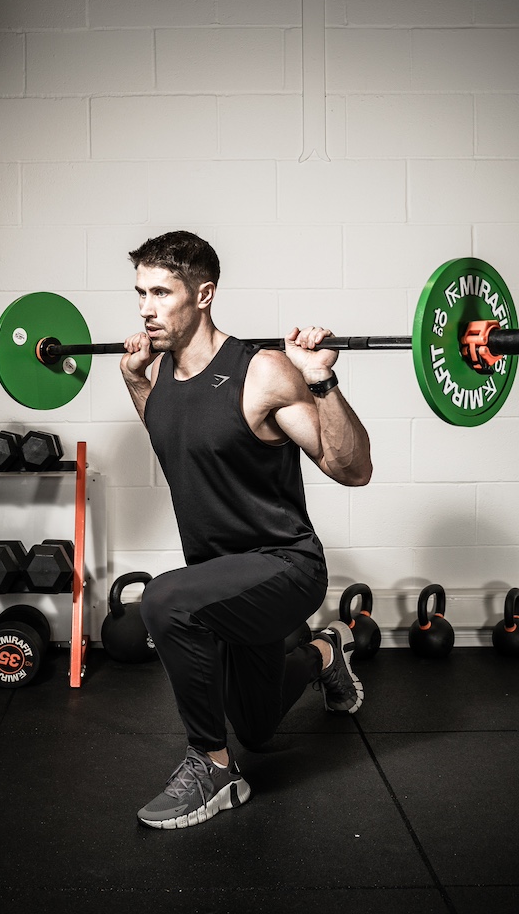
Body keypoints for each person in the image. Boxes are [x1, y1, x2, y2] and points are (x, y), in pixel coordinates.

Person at [120, 230, 372, 830]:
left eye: (162, 292)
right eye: (140, 293)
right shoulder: (153, 380)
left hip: (286, 567)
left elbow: (353, 469)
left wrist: (320, 381)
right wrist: (134, 380)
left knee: (162, 600)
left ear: (203, 294)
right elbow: (176, 439)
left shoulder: (260, 372)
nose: (146, 308)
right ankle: (326, 650)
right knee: (258, 728)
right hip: (224, 583)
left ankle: (213, 768)